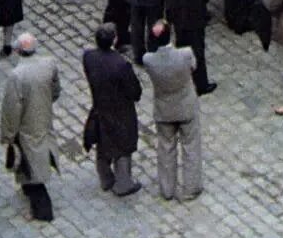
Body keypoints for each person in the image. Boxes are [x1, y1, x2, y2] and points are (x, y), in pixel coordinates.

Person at [0, 33, 60, 221]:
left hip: (26, 126)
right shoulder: (49, 64)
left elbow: (11, 109)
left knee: (30, 161)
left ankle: (42, 210)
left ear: (17, 50)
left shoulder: (17, 75)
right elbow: (55, 90)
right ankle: (28, 186)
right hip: (44, 118)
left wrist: (8, 135)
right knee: (37, 155)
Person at [81, 23, 143, 197]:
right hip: (121, 110)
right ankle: (123, 184)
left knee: (103, 142)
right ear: (114, 40)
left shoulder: (89, 57)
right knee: (123, 146)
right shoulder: (120, 65)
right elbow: (134, 91)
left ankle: (106, 179)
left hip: (100, 106)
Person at [143, 21, 203, 201]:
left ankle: (167, 189)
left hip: (164, 110)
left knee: (166, 148)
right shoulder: (185, 54)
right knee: (191, 146)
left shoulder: (149, 60)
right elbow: (194, 67)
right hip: (186, 106)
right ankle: (191, 187)